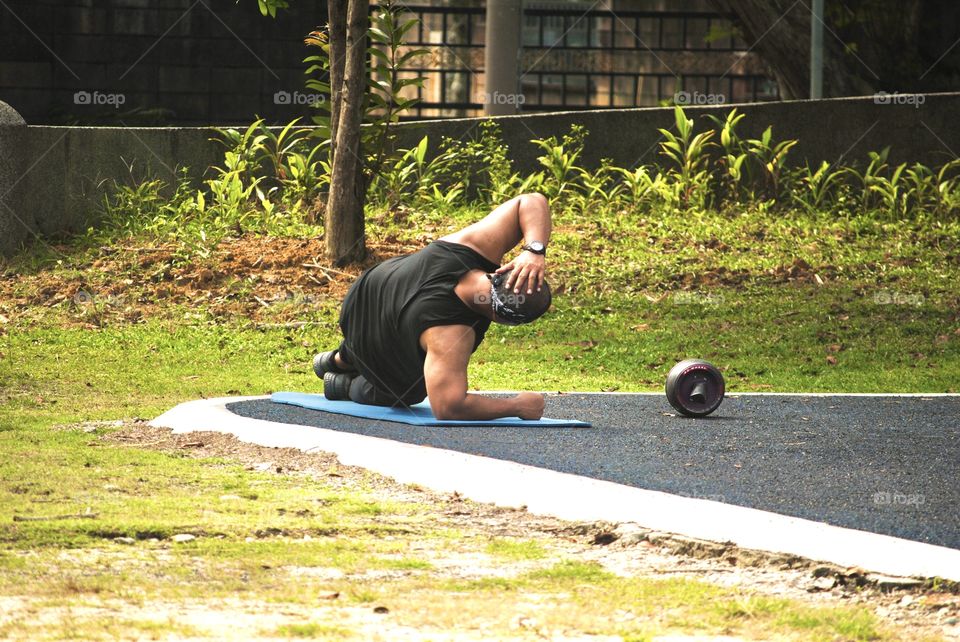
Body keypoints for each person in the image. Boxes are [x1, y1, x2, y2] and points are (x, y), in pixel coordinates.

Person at [314, 193, 553, 421]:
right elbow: (448, 407)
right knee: (408, 391)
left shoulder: (475, 246)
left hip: (361, 299)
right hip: (380, 346)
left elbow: (530, 201)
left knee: (387, 327)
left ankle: (340, 358)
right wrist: (517, 406)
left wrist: (534, 251)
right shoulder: (452, 335)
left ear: (500, 271)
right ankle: (344, 385)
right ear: (505, 319)